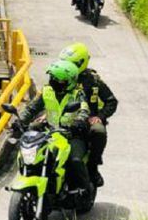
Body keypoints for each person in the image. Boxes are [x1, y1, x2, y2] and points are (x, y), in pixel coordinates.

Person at [13, 59, 92, 193]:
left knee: (75, 159)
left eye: (59, 80)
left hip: (72, 135)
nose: (54, 82)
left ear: (70, 81)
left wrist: (78, 121)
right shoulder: (46, 91)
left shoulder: (78, 94)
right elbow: (31, 108)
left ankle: (84, 189)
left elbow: (84, 110)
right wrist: (19, 120)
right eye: (53, 78)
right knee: (33, 152)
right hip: (50, 132)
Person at [58, 42, 118, 186]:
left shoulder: (94, 81)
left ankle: (93, 166)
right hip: (62, 120)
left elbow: (111, 101)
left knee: (98, 131)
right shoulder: (59, 77)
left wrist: (100, 117)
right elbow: (48, 98)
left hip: (86, 122)